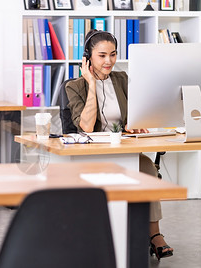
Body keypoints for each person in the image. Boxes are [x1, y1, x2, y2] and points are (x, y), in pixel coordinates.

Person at [65, 29, 173, 260]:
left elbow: (135, 113)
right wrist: (92, 85)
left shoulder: (122, 79)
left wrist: (135, 124)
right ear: (88, 58)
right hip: (92, 155)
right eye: (102, 55)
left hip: (123, 150)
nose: (109, 61)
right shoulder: (74, 86)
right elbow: (85, 126)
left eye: (112, 54)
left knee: (147, 169)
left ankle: (154, 235)